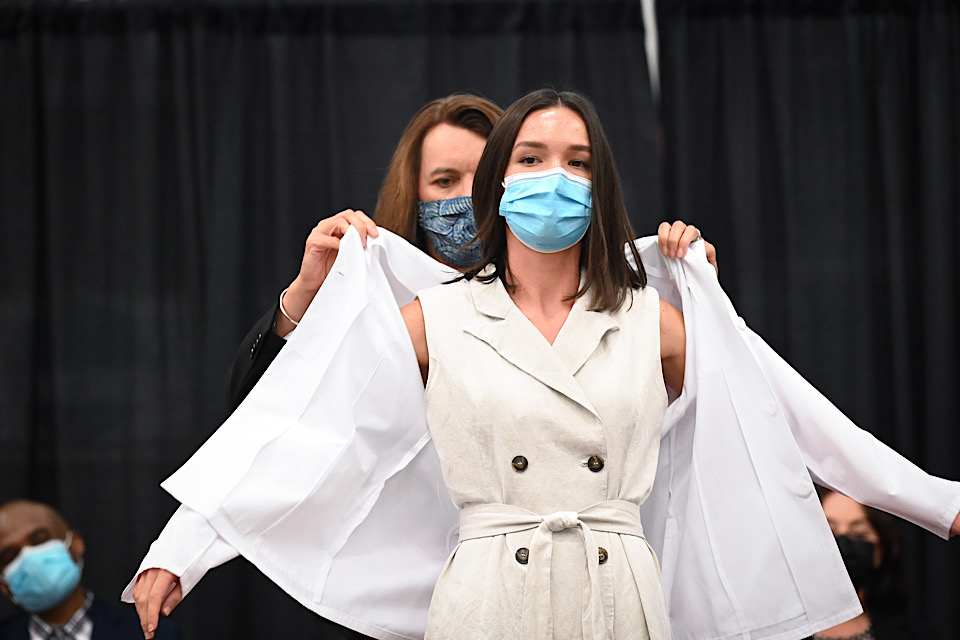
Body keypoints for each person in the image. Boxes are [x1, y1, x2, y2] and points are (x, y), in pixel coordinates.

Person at [127, 89, 960, 640]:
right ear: (498, 184)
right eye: (528, 160)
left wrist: (939, 503)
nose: (552, 178)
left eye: (577, 160)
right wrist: (181, 547)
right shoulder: (430, 315)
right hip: (484, 596)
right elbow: (300, 431)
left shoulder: (654, 313)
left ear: (602, 183)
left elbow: (791, 411)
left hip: (620, 593)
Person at [227, 92, 715, 413]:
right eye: (445, 181)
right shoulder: (389, 308)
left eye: (482, 178)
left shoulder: (588, 299)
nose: (469, 195)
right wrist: (305, 296)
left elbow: (705, 409)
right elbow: (265, 419)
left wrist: (695, 288)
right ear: (412, 197)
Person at [0, 500, 182, 640]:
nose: (29, 559)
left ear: (75, 543)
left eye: (40, 540)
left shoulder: (153, 635)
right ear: (3, 585)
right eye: (9, 556)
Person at [813, 488, 915, 640]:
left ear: (880, 551)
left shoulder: (912, 633)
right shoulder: (773, 629)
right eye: (829, 533)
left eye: (858, 534)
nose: (843, 546)